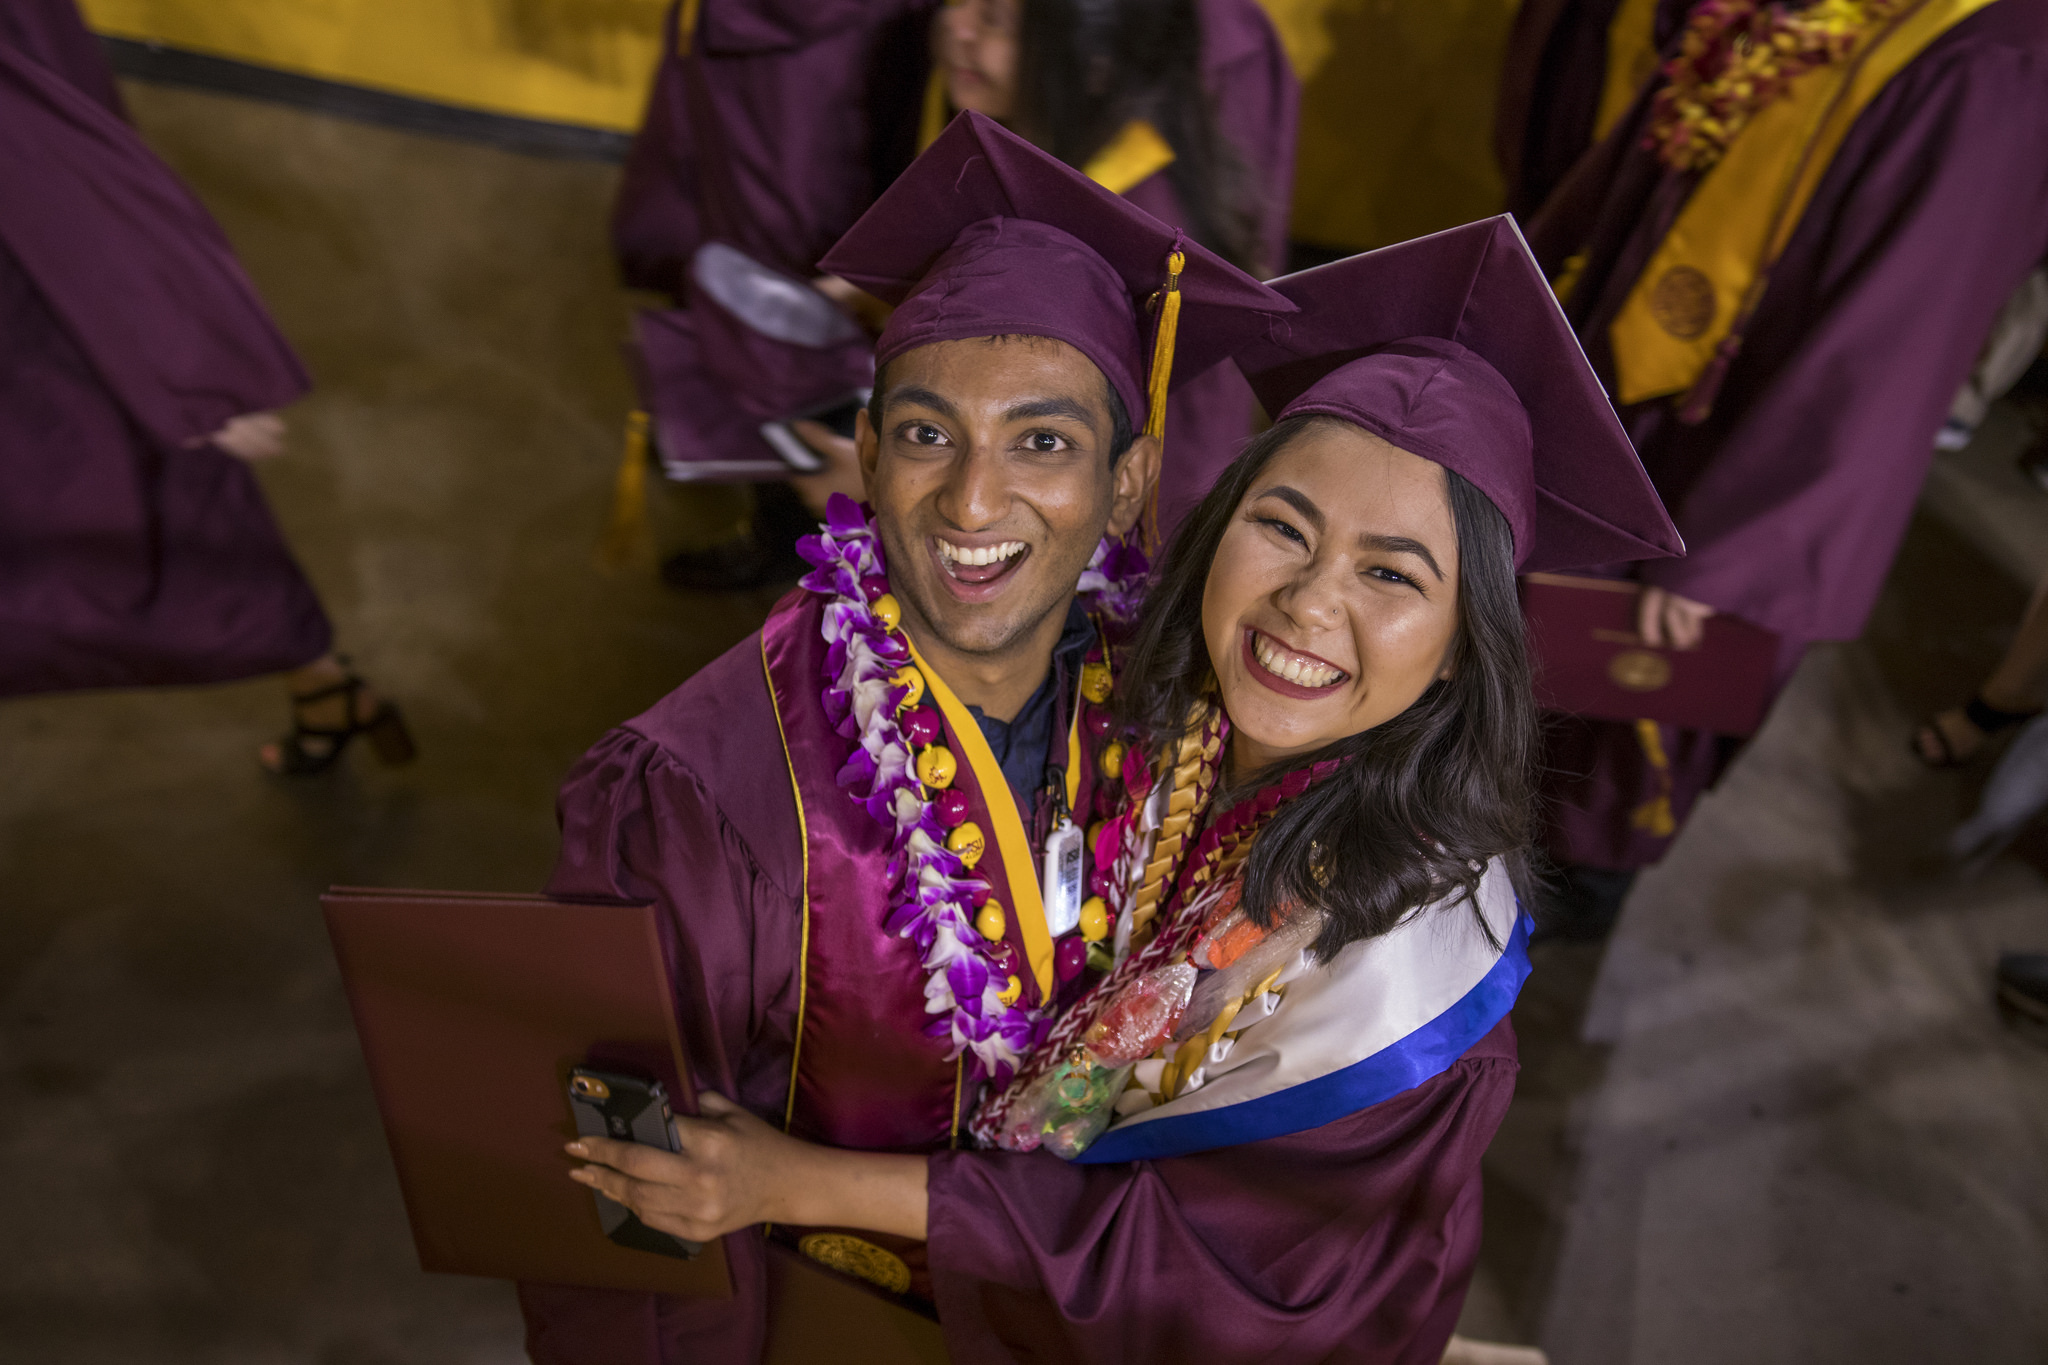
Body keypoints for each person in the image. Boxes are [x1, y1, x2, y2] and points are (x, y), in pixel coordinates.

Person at [556, 213, 1677, 1360]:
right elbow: (615, 1180)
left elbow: (1214, 1277)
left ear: (1129, 477)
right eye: (1280, 530)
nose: (1305, 603)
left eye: (1390, 573)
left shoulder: (1403, 981)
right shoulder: (715, 783)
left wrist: (805, 1184)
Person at [523, 113, 1290, 1361]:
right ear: (867, 454)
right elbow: (631, 1218)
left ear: (1130, 482)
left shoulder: (1183, 721)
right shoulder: (697, 794)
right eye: (927, 435)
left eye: (1042, 442)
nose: (972, 502)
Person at [1518, 0, 2048, 930]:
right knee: (1522, 633)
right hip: (1629, 369)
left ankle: (1551, 910)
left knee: (1621, 709)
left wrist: (1741, 559)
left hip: (1744, 456)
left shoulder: (1997, 64)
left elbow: (1897, 343)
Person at [626, 0, 1297, 590]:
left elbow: (1099, 509)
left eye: (996, 19)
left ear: (1092, 63)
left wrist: (877, 496)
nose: (955, 25)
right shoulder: (1054, 148)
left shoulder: (1143, 259)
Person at [0, 23, 412, 775]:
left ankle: (323, 681)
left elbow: (46, 154)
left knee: (137, 514)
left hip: (38, 302)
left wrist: (183, 365)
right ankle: (326, 688)